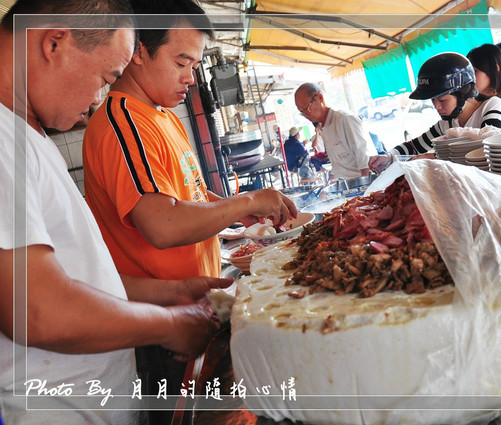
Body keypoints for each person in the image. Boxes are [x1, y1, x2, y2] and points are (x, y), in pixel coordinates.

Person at [0, 1, 232, 425]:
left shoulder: (26, 134)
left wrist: (171, 293)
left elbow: (75, 278)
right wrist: (170, 324)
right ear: (54, 42)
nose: (99, 98)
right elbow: (38, 310)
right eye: (106, 77)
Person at [81, 0, 296, 419]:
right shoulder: (123, 121)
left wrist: (236, 211)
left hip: (199, 307)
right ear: (138, 51)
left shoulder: (163, 115)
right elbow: (161, 222)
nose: (190, 77)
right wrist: (248, 200)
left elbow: (188, 197)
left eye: (195, 65)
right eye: (182, 62)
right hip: (164, 329)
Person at [369, 52, 501, 173]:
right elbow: (415, 146)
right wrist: (388, 157)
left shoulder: (492, 107)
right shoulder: (447, 123)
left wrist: (432, 157)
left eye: (442, 100)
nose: (437, 106)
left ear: (464, 92)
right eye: (433, 100)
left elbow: (487, 149)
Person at [294, 83, 377, 180]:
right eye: (301, 112)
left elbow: (367, 165)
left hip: (360, 186)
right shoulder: (324, 127)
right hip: (345, 188)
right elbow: (338, 166)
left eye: (307, 108)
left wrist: (367, 193)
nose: (306, 115)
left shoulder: (345, 119)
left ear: (320, 98)